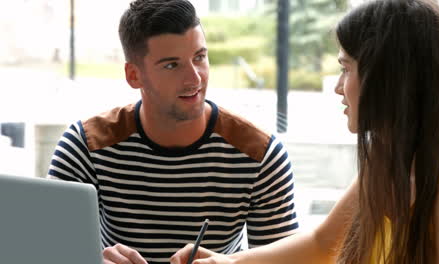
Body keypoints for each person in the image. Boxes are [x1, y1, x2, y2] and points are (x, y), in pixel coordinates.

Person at [170, 0, 439, 263]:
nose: (338, 87)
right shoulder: (387, 158)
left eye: (346, 68)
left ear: (390, 78)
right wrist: (229, 262)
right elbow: (322, 244)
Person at [46, 0, 299, 263]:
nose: (195, 79)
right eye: (171, 65)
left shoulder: (260, 153)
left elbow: (286, 260)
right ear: (134, 76)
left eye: (199, 57)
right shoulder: (85, 146)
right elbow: (44, 249)